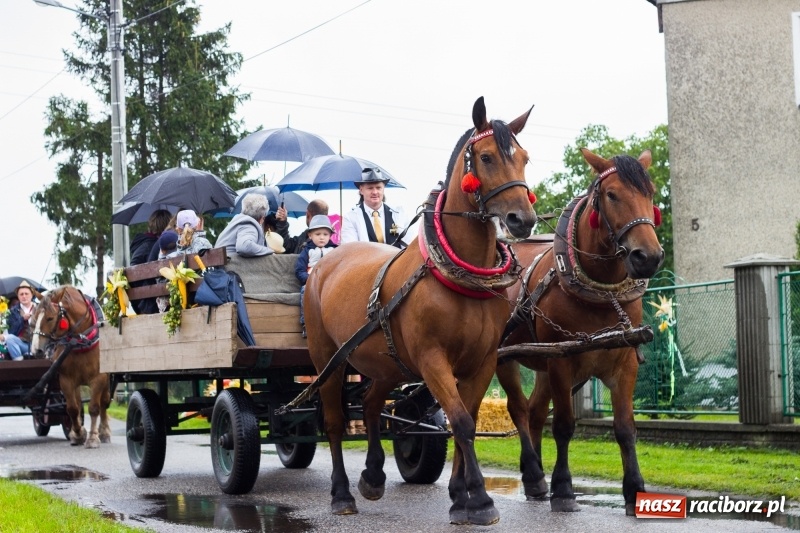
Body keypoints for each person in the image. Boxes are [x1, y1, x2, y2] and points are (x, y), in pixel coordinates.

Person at [340, 168, 408, 247]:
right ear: (361, 190)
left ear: (383, 189)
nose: (375, 192)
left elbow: (409, 245)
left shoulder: (399, 213)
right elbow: (350, 249)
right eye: (370, 188)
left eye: (378, 188)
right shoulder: (351, 218)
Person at [294, 215, 337, 338]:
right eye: (318, 234)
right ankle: (306, 324)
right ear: (310, 235)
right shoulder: (307, 251)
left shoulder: (335, 250)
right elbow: (299, 270)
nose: (322, 237)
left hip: (331, 281)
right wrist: (309, 279)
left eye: (325, 234)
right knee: (304, 292)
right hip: (312, 282)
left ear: (330, 235)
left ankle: (335, 324)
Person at [0, 281, 38, 360]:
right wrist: (22, 319)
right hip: (22, 344)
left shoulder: (40, 308)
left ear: (32, 295)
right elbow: (12, 332)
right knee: (10, 339)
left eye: (26, 294)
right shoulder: (12, 311)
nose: (24, 296)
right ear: (18, 296)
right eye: (21, 294)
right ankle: (19, 364)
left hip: (38, 344)